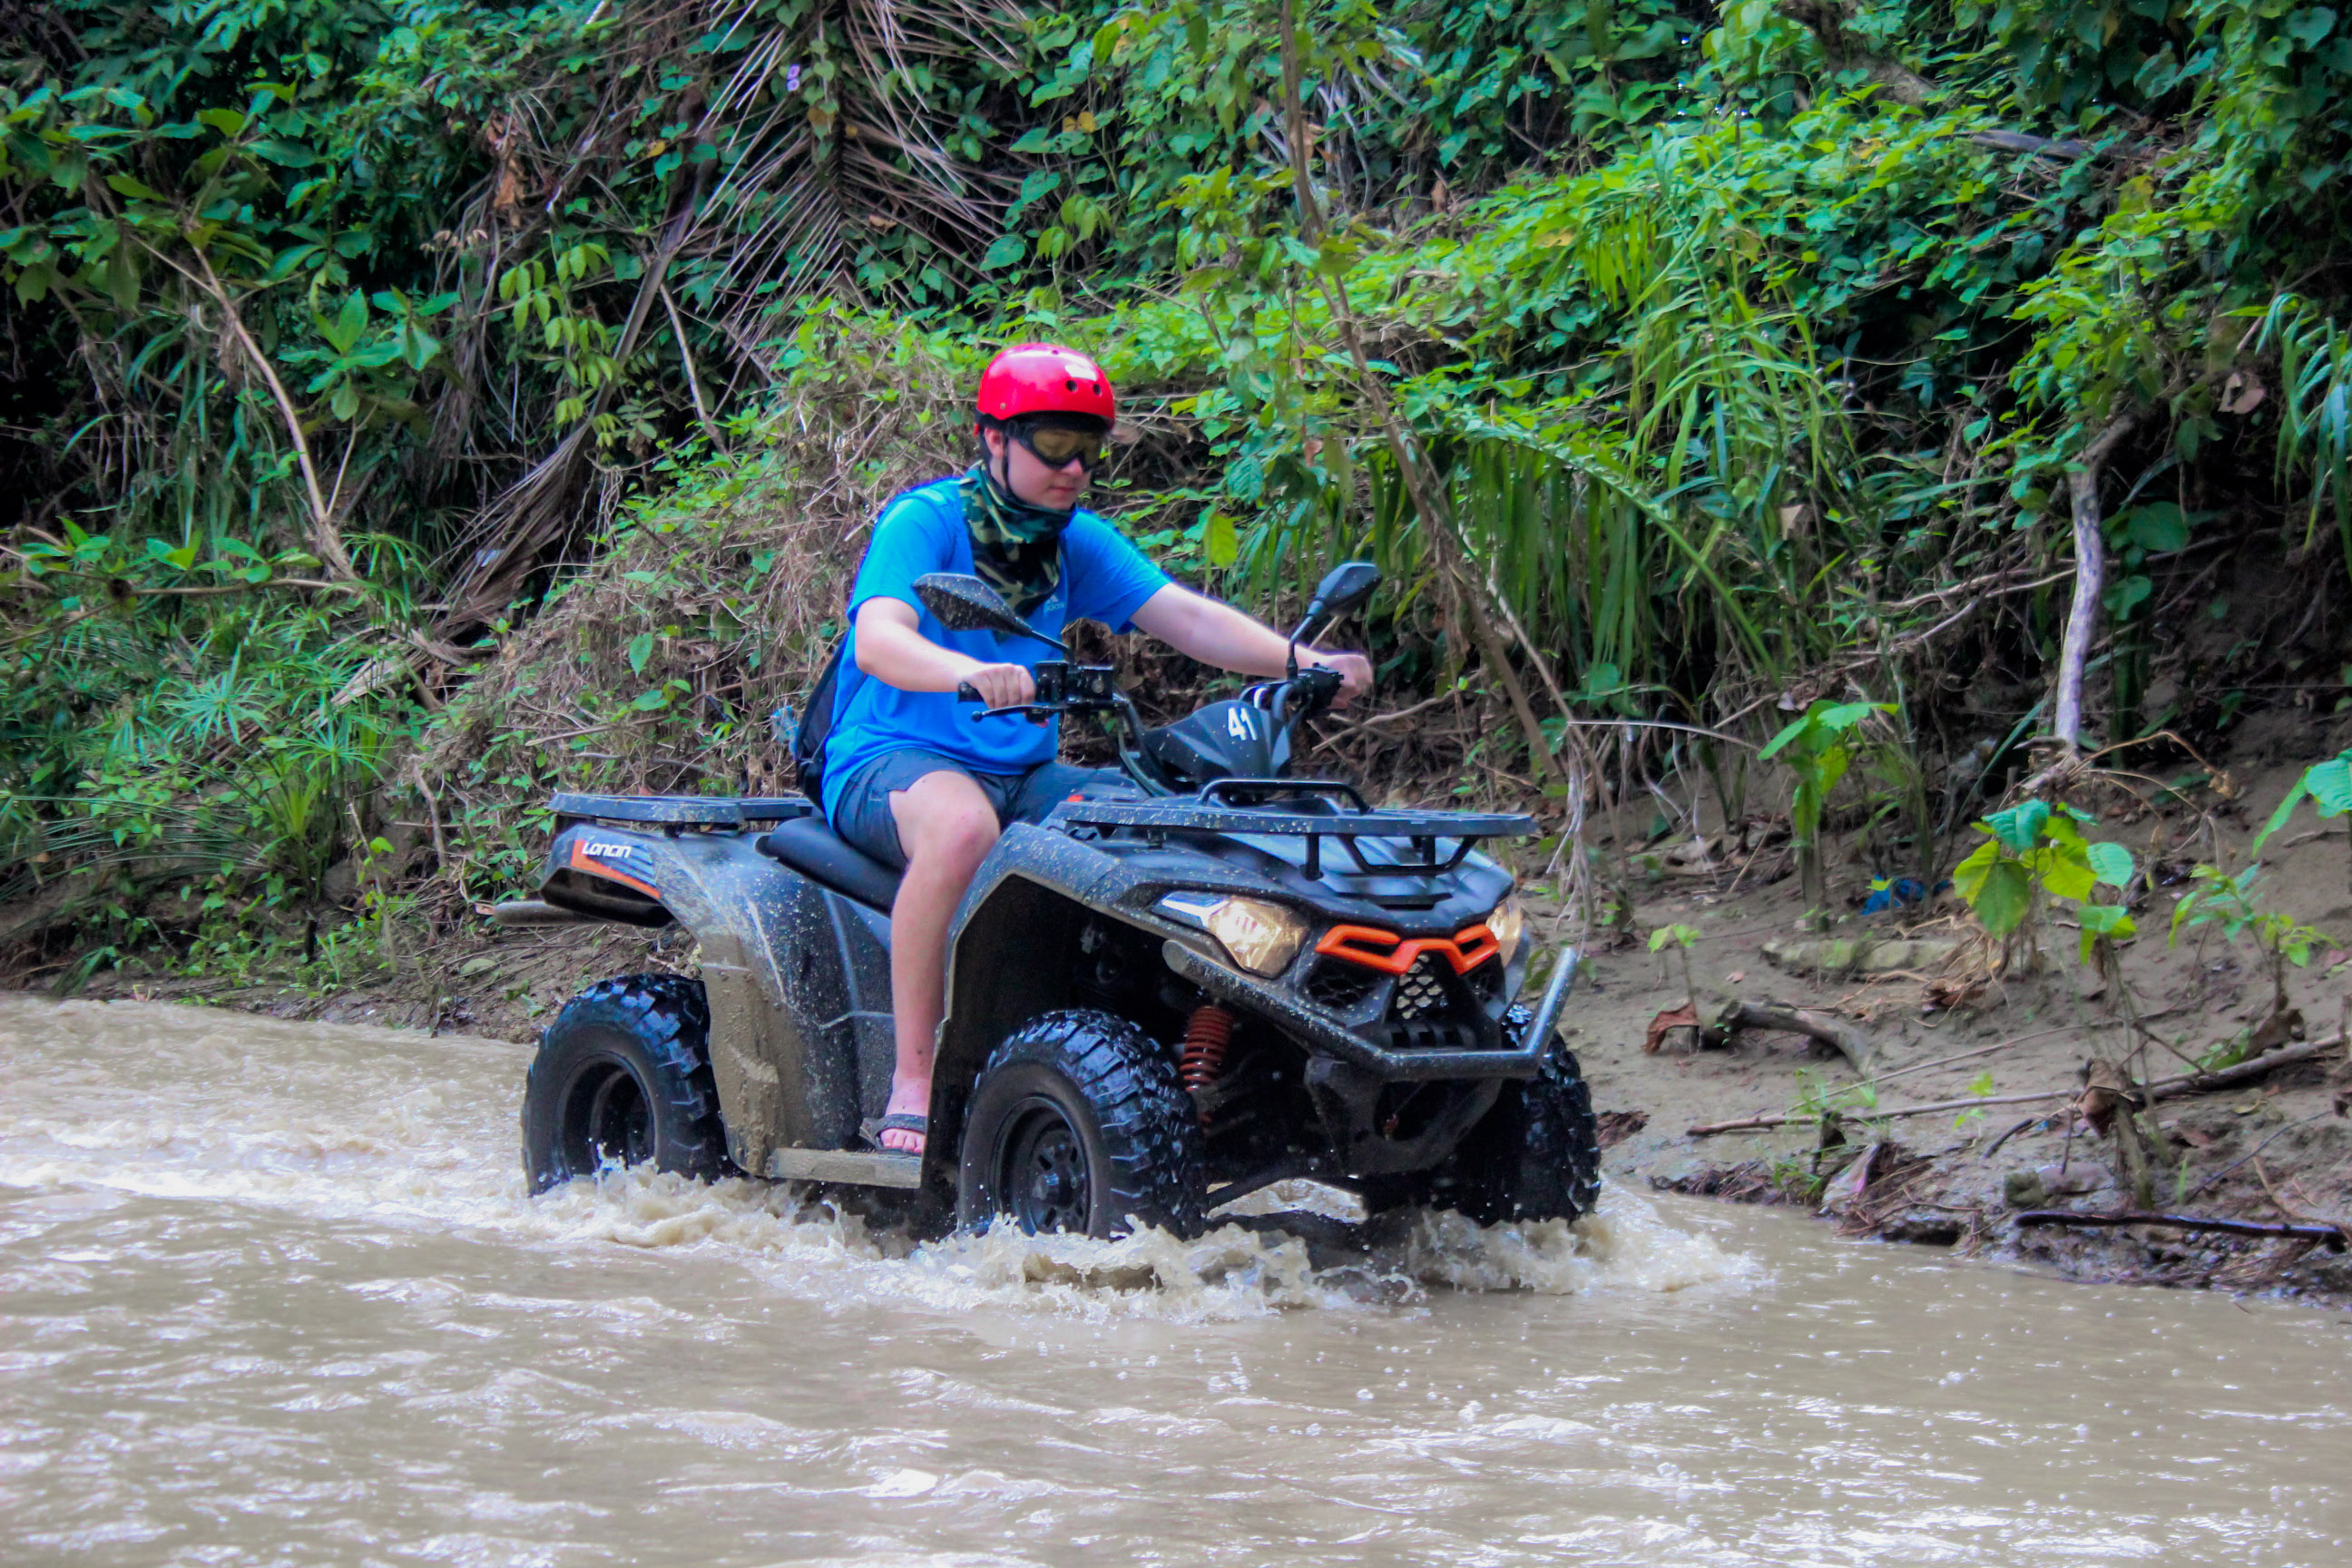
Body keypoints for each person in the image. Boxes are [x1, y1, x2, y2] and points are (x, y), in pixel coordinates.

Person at [816, 343, 1373, 1155]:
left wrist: (1303, 661)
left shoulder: (1075, 541)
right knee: (962, 829)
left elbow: (1184, 617)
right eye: (1052, 443)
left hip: (1025, 773)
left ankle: (1187, 1056)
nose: (1074, 466)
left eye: (1089, 447)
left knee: (1160, 825)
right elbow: (878, 641)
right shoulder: (926, 521)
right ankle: (913, 1077)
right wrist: (971, 673)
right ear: (994, 438)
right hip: (889, 758)